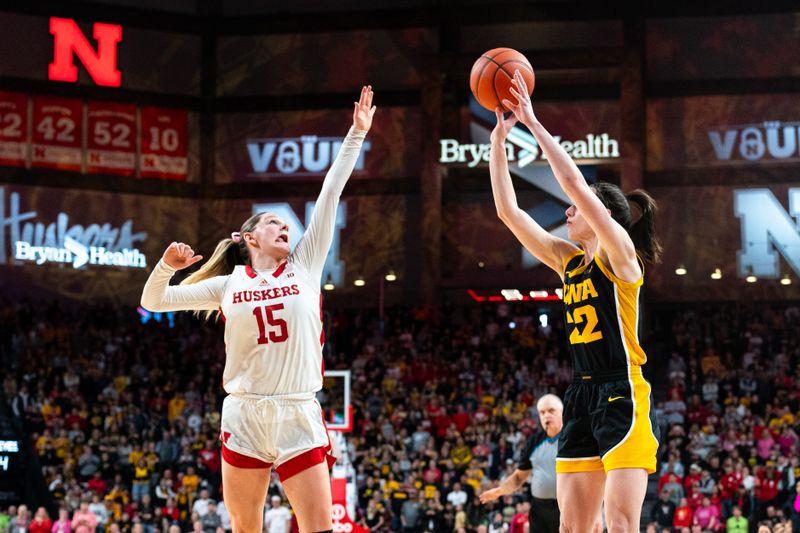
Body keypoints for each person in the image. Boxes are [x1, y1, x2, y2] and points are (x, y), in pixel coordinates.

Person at [141, 86, 375, 533]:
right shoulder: (228, 285)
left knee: (318, 528)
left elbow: (330, 192)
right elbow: (153, 301)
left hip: (296, 410)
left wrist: (356, 134)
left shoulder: (305, 265)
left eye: (285, 224)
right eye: (273, 222)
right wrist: (164, 267)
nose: (284, 227)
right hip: (244, 411)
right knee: (245, 527)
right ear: (249, 238)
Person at [488, 69, 661, 533]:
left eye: (576, 209)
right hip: (581, 394)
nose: (566, 212)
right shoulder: (569, 261)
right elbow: (509, 212)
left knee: (622, 522)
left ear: (600, 214)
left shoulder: (621, 256)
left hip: (623, 391)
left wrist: (533, 122)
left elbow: (576, 189)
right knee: (572, 527)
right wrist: (499, 143)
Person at [480, 395, 578, 533]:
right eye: (542, 413)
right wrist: (499, 491)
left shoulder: (575, 438)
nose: (546, 416)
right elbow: (519, 477)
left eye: (551, 410)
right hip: (539, 508)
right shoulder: (533, 442)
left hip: (568, 506)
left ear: (562, 412)